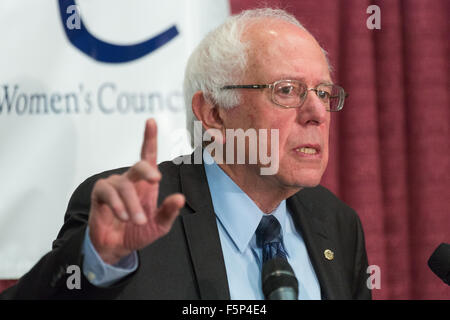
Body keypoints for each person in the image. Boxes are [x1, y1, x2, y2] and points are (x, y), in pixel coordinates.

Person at [1, 8, 371, 300]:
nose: (317, 113)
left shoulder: (337, 224)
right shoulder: (133, 219)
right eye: (287, 90)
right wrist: (98, 260)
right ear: (214, 114)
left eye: (323, 93)